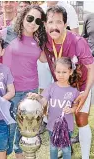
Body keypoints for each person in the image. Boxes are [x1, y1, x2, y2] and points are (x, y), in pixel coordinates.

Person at [0, 5, 47, 159]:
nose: (33, 23)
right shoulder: (8, 32)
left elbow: (44, 58)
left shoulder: (39, 38)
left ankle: (19, 155)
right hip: (10, 90)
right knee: (8, 130)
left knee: (25, 131)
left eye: (38, 21)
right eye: (30, 18)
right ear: (23, 17)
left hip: (31, 91)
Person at [42, 6, 94, 159]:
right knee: (60, 115)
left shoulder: (78, 41)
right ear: (45, 24)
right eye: (50, 22)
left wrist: (85, 93)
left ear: (65, 24)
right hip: (61, 85)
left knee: (80, 119)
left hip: (81, 86)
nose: (54, 26)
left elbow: (91, 68)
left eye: (59, 22)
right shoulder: (45, 41)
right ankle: (63, 147)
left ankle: (85, 157)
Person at [28, 57, 80, 159]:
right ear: (54, 72)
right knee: (53, 147)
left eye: (64, 72)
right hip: (52, 125)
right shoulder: (51, 87)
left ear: (70, 72)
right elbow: (44, 101)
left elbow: (76, 105)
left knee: (66, 148)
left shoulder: (73, 91)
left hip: (67, 126)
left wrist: (72, 109)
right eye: (58, 72)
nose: (61, 75)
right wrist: (37, 96)